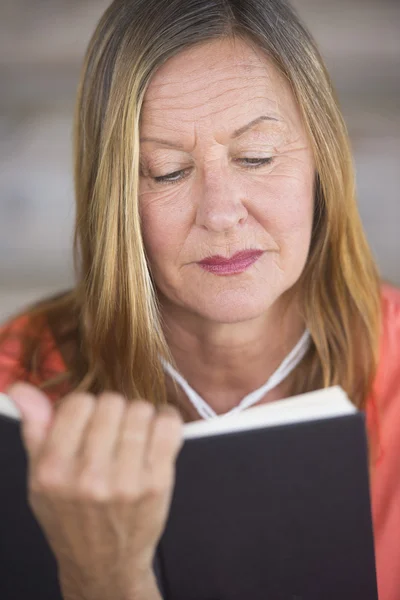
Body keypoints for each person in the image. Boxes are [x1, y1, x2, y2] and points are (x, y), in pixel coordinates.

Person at [0, 0, 399, 598]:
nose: (220, 214)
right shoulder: (22, 376)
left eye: (257, 157)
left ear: (323, 159)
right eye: (165, 172)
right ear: (115, 196)